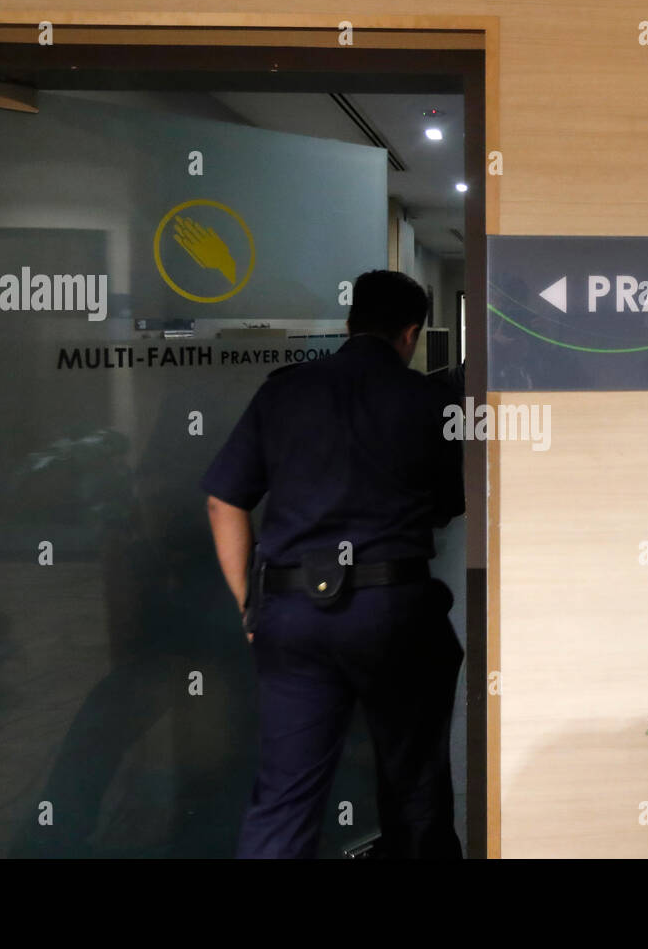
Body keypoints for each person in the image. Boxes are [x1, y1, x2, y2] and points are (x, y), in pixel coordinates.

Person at [201, 269, 465, 859]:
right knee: (415, 790)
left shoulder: (284, 390)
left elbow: (224, 501)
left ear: (349, 324)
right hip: (394, 611)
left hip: (293, 612)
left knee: (284, 799)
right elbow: (451, 506)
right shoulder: (431, 402)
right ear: (411, 333)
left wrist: (252, 604)